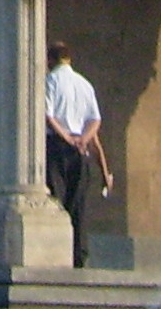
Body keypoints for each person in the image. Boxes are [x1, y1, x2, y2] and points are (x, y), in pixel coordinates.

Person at [43, 41, 111, 266]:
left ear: (50, 60)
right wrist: (82, 138)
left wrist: (66, 137)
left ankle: (54, 255)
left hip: (57, 147)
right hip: (80, 151)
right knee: (77, 206)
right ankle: (78, 257)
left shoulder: (50, 81)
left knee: (55, 202)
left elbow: (48, 116)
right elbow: (95, 120)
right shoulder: (85, 84)